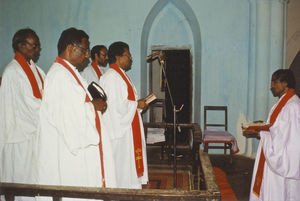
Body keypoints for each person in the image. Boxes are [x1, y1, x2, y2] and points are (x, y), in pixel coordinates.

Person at [36, 28, 116, 197]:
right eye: (85, 50)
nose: (87, 55)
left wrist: (93, 105)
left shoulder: (69, 72)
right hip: (67, 152)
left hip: (75, 150)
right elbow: (68, 118)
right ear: (71, 48)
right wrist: (93, 106)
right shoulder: (59, 76)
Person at [244, 69, 300, 201]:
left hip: (283, 165)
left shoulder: (293, 107)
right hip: (272, 157)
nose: (271, 86)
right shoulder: (283, 103)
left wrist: (260, 132)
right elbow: (277, 129)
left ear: (285, 83)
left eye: (275, 82)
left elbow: (290, 140)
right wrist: (261, 126)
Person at [99, 41, 148, 189]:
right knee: (121, 169)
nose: (131, 58)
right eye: (128, 55)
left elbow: (125, 102)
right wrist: (136, 105)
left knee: (128, 168)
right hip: (119, 133)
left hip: (128, 129)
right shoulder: (111, 77)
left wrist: (137, 105)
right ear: (118, 57)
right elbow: (114, 107)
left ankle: (130, 191)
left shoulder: (121, 75)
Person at [0, 28, 45, 189]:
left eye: (38, 46)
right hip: (19, 135)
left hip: (33, 134)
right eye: (34, 46)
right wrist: (50, 108)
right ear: (21, 45)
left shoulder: (36, 69)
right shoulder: (12, 72)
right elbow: (28, 105)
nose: (37, 49)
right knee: (20, 178)